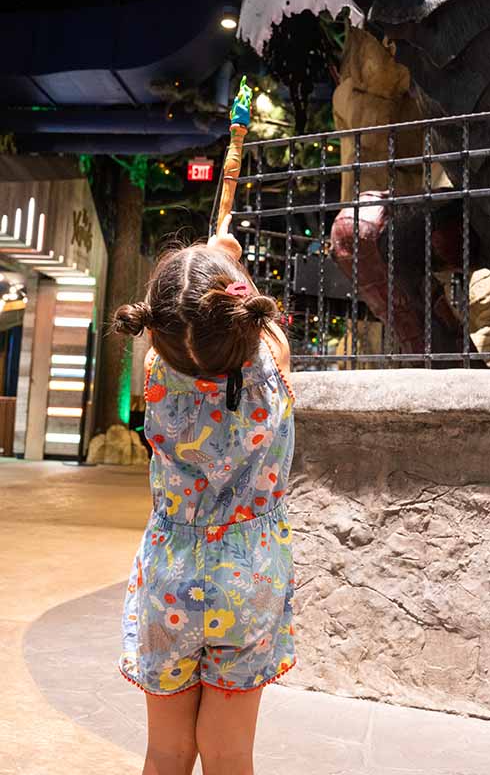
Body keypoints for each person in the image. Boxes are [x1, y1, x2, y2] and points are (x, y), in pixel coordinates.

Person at [114, 214, 295, 775]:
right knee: (230, 752)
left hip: (170, 578)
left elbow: (182, 335)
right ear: (242, 311)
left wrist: (215, 268)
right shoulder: (272, 364)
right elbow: (256, 328)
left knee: (165, 752)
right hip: (251, 580)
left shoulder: (155, 376)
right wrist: (231, 263)